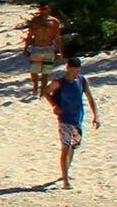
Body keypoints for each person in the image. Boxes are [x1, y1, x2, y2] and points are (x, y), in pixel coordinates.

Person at [43, 55, 100, 189]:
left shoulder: (82, 81)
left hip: (78, 118)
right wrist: (54, 105)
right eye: (72, 70)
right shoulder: (59, 82)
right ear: (67, 68)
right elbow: (45, 91)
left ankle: (66, 171)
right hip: (65, 120)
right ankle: (66, 180)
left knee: (74, 147)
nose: (75, 73)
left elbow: (90, 99)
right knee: (65, 148)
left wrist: (96, 116)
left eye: (77, 70)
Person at [24, 4, 65, 98]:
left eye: (45, 9)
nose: (43, 11)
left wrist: (59, 51)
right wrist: (26, 48)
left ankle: (43, 89)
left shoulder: (54, 21)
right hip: (37, 47)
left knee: (45, 70)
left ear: (49, 9)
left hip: (48, 47)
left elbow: (58, 38)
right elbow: (30, 35)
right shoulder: (35, 21)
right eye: (42, 9)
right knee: (34, 69)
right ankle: (35, 85)